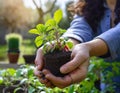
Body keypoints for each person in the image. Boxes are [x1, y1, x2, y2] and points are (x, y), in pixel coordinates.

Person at [34, 0, 120, 92]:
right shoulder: (90, 4)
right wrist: (64, 44)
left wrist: (89, 48)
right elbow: (80, 28)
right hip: (108, 80)